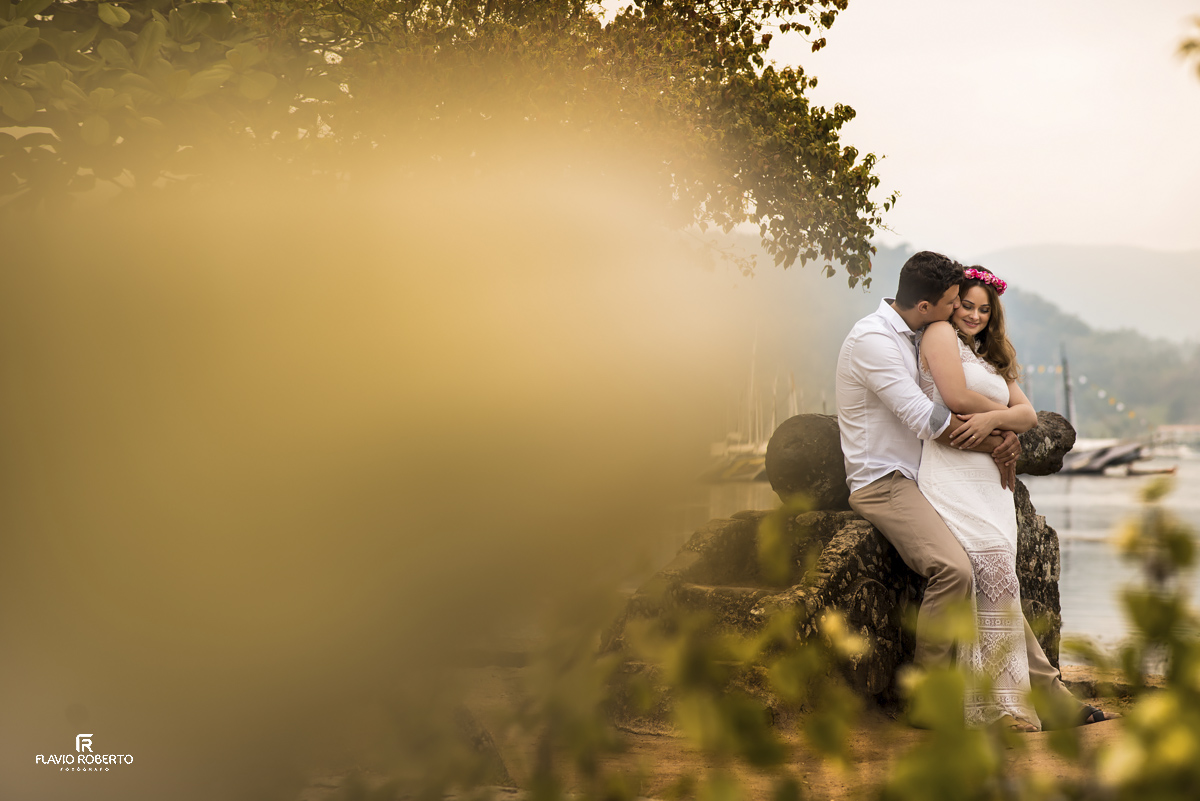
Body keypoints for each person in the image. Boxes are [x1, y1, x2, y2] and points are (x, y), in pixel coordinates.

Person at [834, 251, 1108, 730]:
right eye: (952, 302)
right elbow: (927, 416)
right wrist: (1000, 440)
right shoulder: (874, 341)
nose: (961, 310)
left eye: (972, 303)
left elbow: (989, 403)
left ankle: (1047, 693)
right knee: (955, 570)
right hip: (885, 480)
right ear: (926, 307)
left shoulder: (921, 331)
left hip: (922, 475)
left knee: (995, 575)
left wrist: (1003, 430)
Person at [917, 265, 1042, 731]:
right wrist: (1003, 418)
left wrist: (1001, 421)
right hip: (951, 470)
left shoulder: (989, 359)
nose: (972, 314)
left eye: (983, 309)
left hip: (993, 485)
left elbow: (1029, 416)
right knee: (987, 571)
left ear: (993, 316)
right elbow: (955, 398)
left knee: (1002, 579)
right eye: (966, 305)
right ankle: (986, 708)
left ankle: (1004, 703)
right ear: (952, 305)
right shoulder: (938, 336)